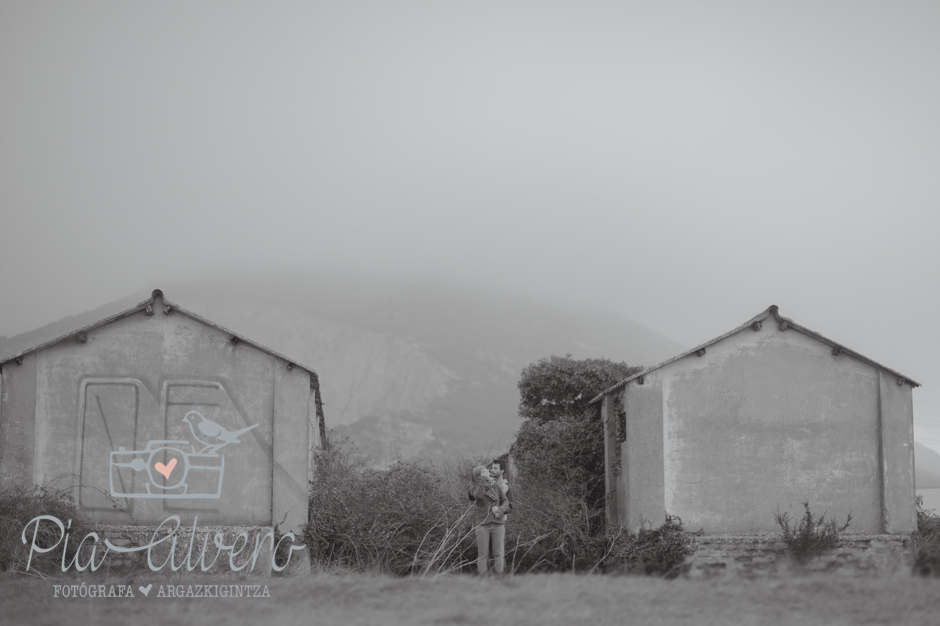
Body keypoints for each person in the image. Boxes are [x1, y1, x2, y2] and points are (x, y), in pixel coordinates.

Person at [468, 465, 510, 575]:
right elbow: (478, 495)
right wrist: (483, 480)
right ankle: (483, 581)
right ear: (479, 475)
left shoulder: (495, 485)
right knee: (483, 554)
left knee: (498, 553)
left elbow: (506, 501)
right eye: (485, 470)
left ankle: (500, 579)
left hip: (498, 523)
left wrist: (500, 510)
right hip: (482, 524)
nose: (488, 471)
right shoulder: (474, 487)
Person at [489, 459, 513, 523]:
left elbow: (510, 507)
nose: (492, 470)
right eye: (492, 468)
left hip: (500, 521)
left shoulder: (507, 487)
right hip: (485, 521)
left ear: (502, 471)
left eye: (495, 468)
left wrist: (500, 510)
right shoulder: (487, 484)